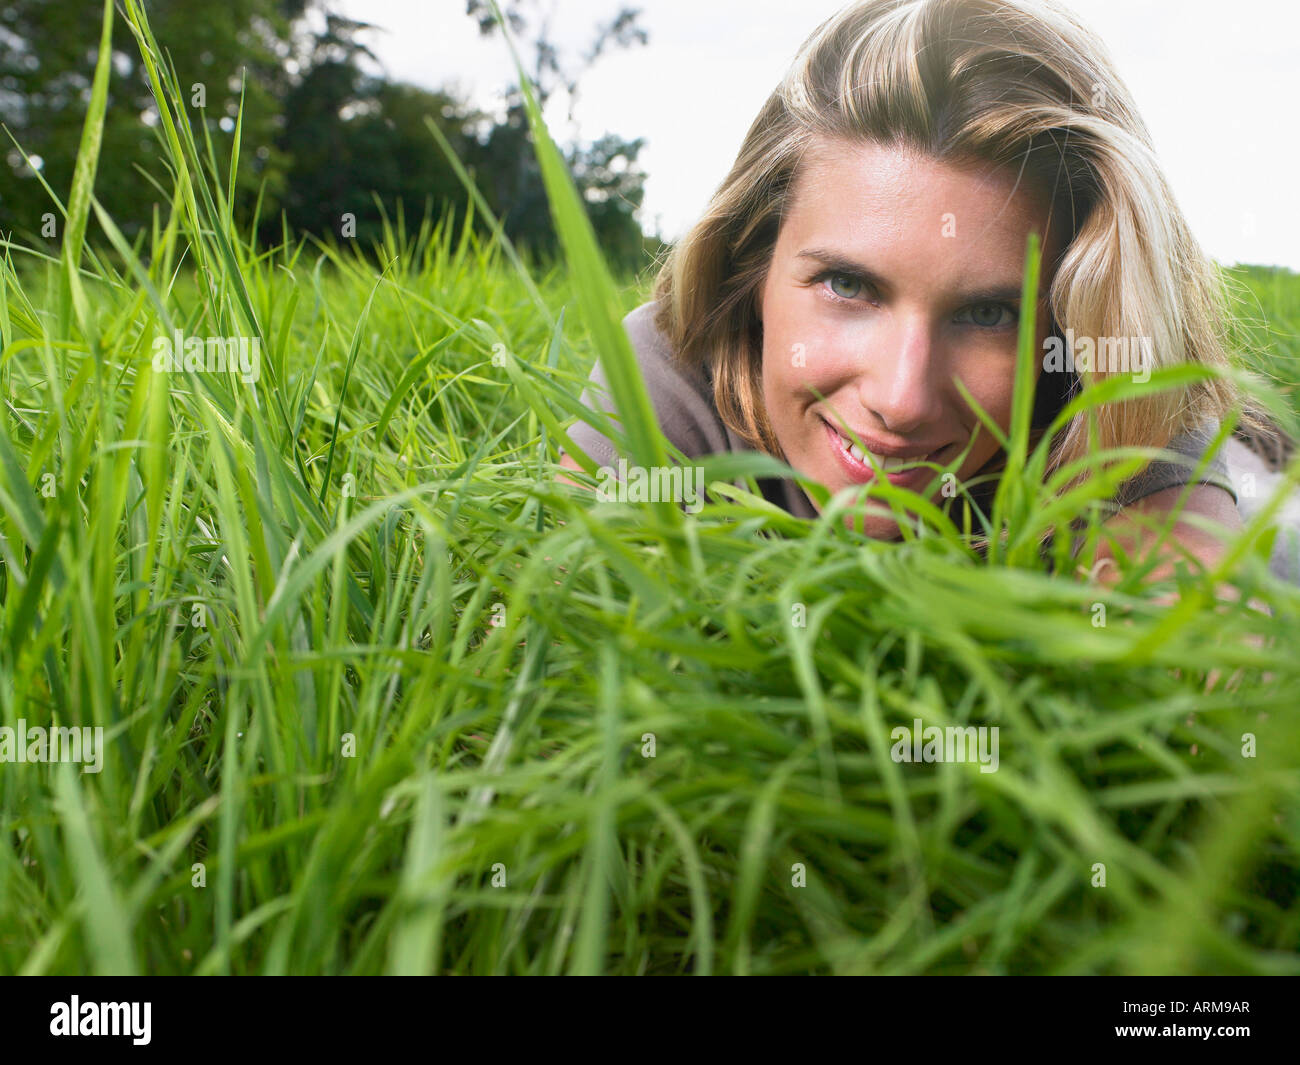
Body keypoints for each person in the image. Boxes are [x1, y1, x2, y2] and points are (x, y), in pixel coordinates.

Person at [559, 0, 1297, 585]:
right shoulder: (667, 372)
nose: (903, 399)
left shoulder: (1124, 406)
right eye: (847, 285)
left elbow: (1211, 713)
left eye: (988, 314)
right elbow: (563, 675)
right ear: (751, 266)